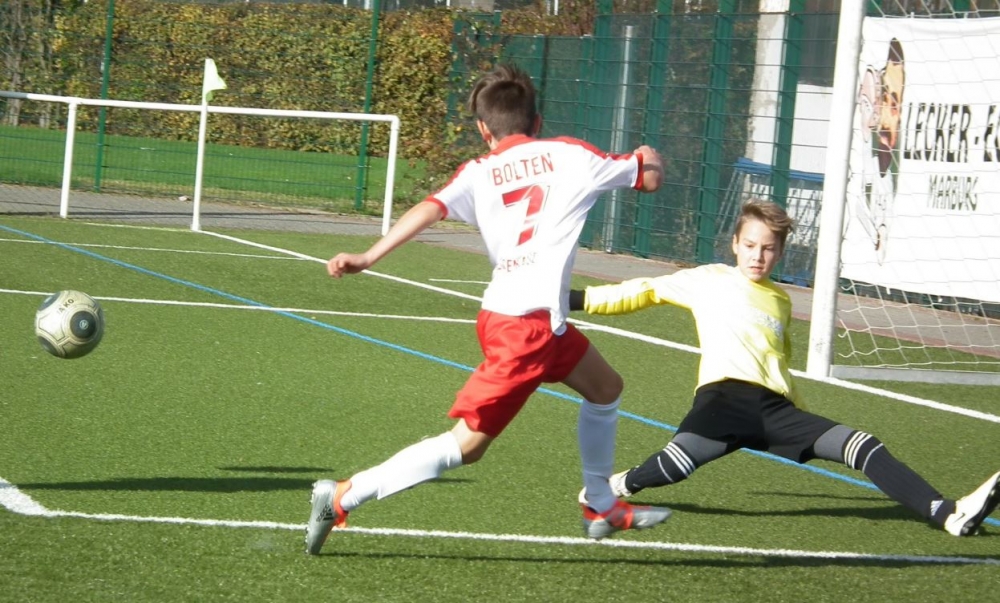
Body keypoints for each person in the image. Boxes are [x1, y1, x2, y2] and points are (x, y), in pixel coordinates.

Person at [305, 63, 671, 555]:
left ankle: (601, 503)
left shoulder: (478, 171)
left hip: (519, 318)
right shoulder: (572, 155)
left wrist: (369, 256)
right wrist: (650, 156)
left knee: (605, 387)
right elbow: (647, 177)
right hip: (527, 328)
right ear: (537, 121)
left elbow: (429, 208)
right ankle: (343, 496)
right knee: (467, 446)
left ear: (483, 129)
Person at [568, 199, 1000, 537]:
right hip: (724, 400)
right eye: (750, 245)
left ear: (779, 252)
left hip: (775, 410)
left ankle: (948, 513)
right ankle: (614, 487)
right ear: (735, 243)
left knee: (862, 445)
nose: (758, 256)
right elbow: (643, 290)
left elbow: (778, 363)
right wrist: (574, 300)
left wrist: (800, 416)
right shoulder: (709, 279)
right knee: (674, 467)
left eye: (768, 248)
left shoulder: (780, 300)